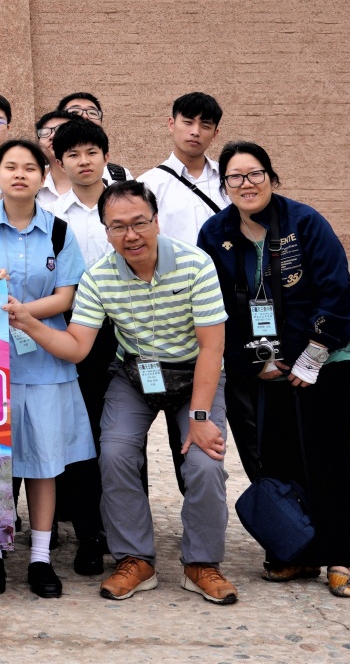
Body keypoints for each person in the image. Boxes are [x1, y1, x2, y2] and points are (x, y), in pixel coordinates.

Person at [6, 181, 239, 607]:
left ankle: (202, 563)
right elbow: (77, 346)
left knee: (205, 462)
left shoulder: (195, 264)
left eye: (139, 223)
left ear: (156, 221)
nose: (131, 235)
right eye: (118, 226)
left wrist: (200, 418)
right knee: (113, 455)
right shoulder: (98, 277)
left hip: (195, 374)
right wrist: (29, 322)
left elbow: (212, 347)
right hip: (136, 375)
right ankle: (135, 559)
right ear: (106, 231)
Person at [198, 141, 350, 598]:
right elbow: (213, 306)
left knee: (326, 457)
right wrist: (252, 362)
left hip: (328, 358)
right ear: (224, 185)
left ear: (271, 177)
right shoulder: (215, 233)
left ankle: (338, 556)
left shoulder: (305, 222)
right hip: (264, 366)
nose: (246, 184)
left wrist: (312, 356)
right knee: (278, 460)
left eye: (255, 174)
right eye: (235, 177)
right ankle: (298, 549)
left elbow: (337, 293)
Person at [0, 139, 89, 599]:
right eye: (10, 167)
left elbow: (67, 296)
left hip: (46, 362)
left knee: (44, 464)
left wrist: (22, 312)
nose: (20, 174)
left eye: (30, 167)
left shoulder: (60, 232)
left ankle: (40, 558)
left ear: (43, 177)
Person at [46, 116, 119, 578]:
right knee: (81, 434)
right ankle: (87, 532)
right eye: (72, 154)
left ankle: (121, 532)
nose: (83, 161)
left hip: (128, 331)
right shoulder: (53, 216)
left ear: (106, 157)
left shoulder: (127, 204)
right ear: (60, 162)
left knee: (122, 440)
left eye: (92, 152)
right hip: (75, 331)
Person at [139, 92, 227, 246]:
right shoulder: (148, 185)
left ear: (215, 134)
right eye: (188, 122)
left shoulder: (230, 179)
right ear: (171, 124)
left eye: (205, 126)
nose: (195, 132)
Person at [56, 93, 131, 182]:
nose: (85, 116)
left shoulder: (121, 176)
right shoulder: (42, 176)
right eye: (75, 112)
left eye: (92, 113)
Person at [34, 111, 73, 210]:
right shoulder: (32, 181)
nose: (52, 136)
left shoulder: (104, 182)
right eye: (45, 133)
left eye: (61, 130)